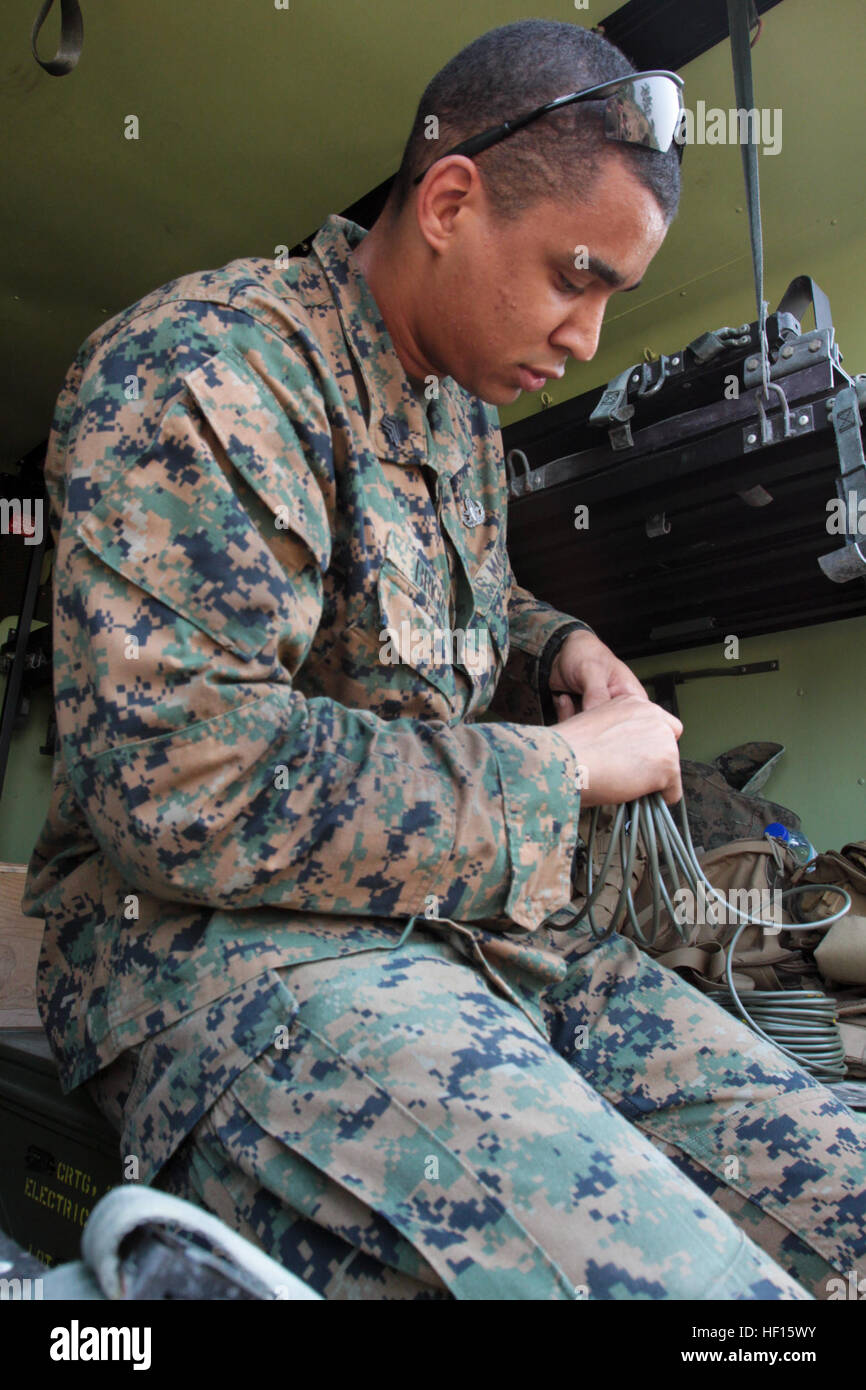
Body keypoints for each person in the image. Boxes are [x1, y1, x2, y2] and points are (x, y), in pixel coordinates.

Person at [23, 19, 866, 1299]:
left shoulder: (458, 418)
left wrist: (559, 645)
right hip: (234, 956)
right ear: (451, 199)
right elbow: (183, 780)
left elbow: (439, 608)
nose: (584, 339)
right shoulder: (209, 371)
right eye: (571, 277)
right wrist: (559, 770)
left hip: (486, 932)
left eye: (610, 299)